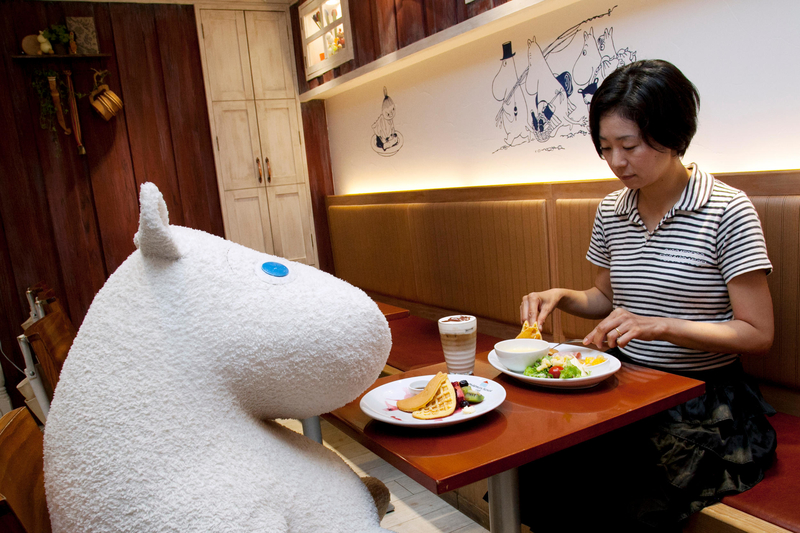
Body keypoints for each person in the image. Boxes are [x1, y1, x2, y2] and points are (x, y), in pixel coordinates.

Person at [518, 59, 776, 532]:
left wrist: (660, 326)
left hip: (703, 401)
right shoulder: (611, 210)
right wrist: (562, 296)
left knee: (620, 493)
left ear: (674, 134)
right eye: (605, 148)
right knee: (537, 469)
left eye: (630, 146)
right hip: (625, 384)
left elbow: (758, 333)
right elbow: (603, 297)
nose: (617, 162)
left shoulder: (728, 209)